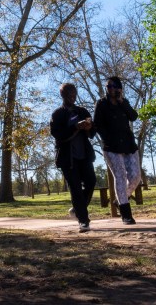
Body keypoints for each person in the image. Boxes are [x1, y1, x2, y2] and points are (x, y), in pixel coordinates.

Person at [93, 75, 141, 225]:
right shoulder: (101, 104)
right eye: (109, 86)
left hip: (128, 145)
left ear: (120, 88)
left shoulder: (123, 102)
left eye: (114, 86)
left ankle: (120, 200)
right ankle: (126, 213)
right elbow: (97, 125)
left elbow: (133, 116)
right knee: (120, 176)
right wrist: (107, 138)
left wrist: (122, 102)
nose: (111, 89)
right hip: (112, 147)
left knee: (135, 177)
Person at [50, 83, 96, 232]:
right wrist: (75, 127)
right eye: (69, 94)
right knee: (75, 188)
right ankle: (83, 221)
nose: (72, 96)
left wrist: (89, 127)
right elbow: (58, 135)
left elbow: (93, 133)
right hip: (67, 159)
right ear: (62, 95)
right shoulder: (57, 114)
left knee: (91, 182)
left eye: (74, 93)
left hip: (85, 156)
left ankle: (77, 209)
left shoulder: (82, 111)